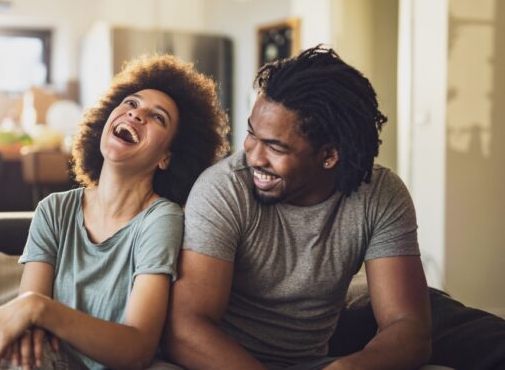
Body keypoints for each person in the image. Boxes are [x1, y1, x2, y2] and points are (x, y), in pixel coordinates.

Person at [164, 45, 432, 370]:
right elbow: (185, 329)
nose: (254, 156)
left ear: (329, 156)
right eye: (252, 134)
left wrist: (349, 367)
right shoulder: (224, 188)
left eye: (275, 147)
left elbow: (408, 325)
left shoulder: (380, 195)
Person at [0, 54, 229, 370]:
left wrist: (39, 309)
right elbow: (28, 327)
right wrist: (32, 313)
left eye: (158, 117)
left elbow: (138, 348)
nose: (137, 114)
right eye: (131, 103)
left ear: (166, 157)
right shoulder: (53, 211)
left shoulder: (161, 219)